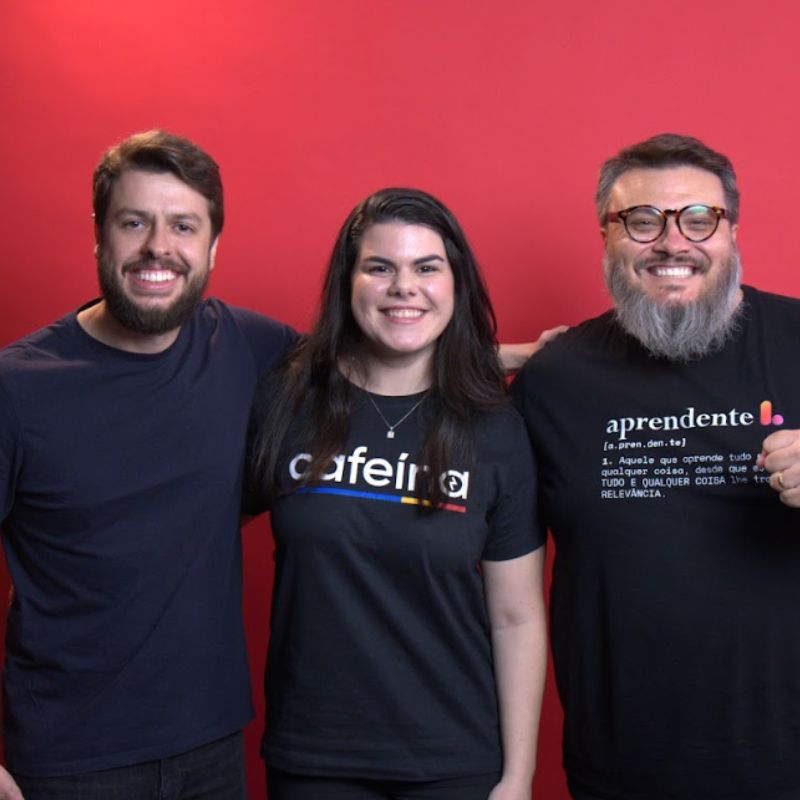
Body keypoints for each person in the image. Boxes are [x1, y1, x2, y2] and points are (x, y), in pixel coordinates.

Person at [0, 130, 295, 799]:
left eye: (183, 226)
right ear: (100, 237)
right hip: (68, 763)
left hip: (212, 749)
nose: (159, 246)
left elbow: (378, 365)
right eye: (135, 222)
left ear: (213, 246)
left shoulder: (246, 346)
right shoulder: (17, 388)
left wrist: (510, 361)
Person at [511, 133, 800, 799]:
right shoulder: (557, 378)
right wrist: (487, 356)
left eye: (699, 218)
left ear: (731, 229)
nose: (673, 243)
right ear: (606, 237)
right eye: (641, 222)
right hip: (623, 770)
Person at [247, 187, 548, 800]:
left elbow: (516, 616)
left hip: (455, 760)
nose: (403, 286)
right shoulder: (286, 397)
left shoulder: (495, 427)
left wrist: (517, 777)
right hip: (315, 757)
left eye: (426, 268)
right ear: (348, 282)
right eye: (379, 267)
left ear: (455, 283)